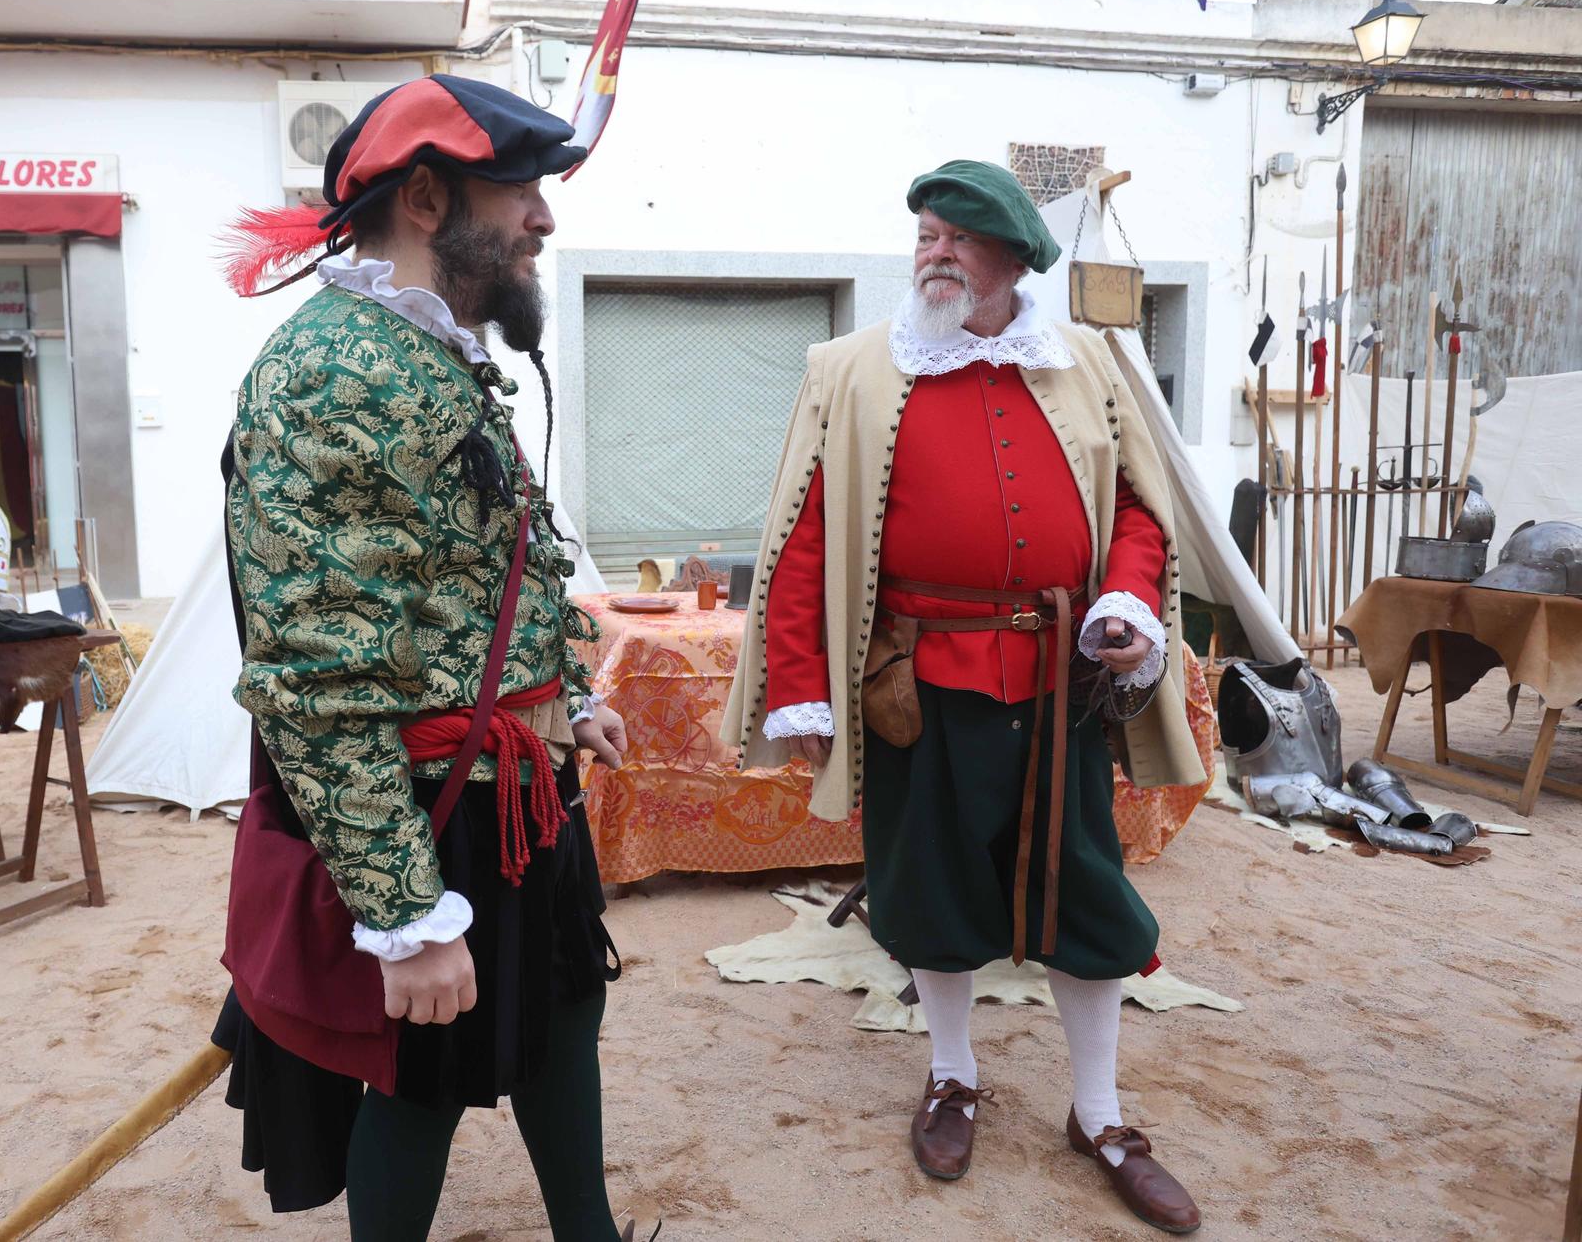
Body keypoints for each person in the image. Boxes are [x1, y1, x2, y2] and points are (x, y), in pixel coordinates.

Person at [724, 160, 1209, 1234]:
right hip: (916, 686)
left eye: (958, 239)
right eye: (924, 236)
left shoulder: (1082, 360)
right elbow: (799, 537)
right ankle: (950, 1074)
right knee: (930, 892)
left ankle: (1099, 1112)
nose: (932, 253)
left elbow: (1139, 509)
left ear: (1010, 261)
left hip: (1058, 684)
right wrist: (797, 688)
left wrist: (1122, 601)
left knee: (1086, 896)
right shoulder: (849, 368)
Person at [213, 74, 644, 1242]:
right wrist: (407, 911)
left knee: (562, 1015)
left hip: (517, 782)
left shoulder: (425, 351)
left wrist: (559, 694)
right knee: (424, 1084)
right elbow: (312, 677)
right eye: (521, 196)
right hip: (429, 808)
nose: (544, 222)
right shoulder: (331, 370)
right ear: (422, 196)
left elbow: (494, 552)